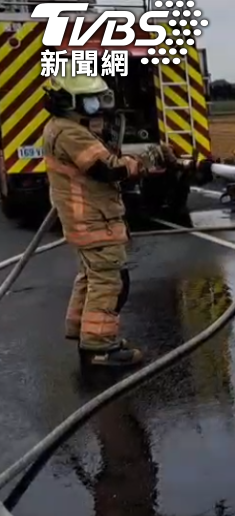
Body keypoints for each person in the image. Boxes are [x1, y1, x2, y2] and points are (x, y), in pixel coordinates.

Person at [42, 75, 148, 367]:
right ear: (67, 102)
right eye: (91, 101)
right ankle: (100, 347)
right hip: (93, 221)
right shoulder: (71, 134)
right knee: (109, 282)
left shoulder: (62, 128)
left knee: (91, 277)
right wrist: (142, 163)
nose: (98, 108)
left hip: (85, 220)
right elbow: (106, 169)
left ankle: (83, 331)